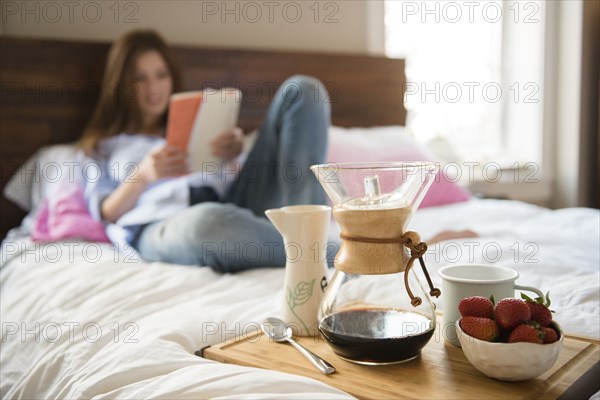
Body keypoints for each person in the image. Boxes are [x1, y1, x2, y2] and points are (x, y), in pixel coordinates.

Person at [80, 30, 330, 273]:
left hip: (238, 202)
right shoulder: (102, 146)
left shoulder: (194, 125)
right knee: (207, 224)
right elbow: (105, 212)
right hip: (165, 223)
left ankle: (307, 229)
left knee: (304, 90)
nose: (153, 87)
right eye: (139, 78)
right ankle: (332, 253)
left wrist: (235, 154)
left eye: (161, 75)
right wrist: (143, 175)